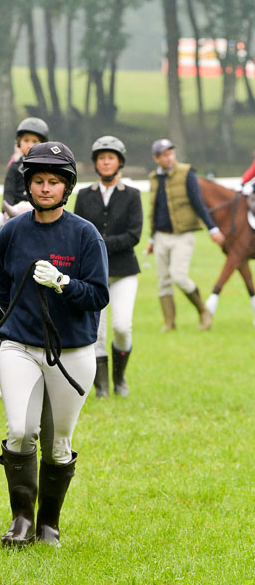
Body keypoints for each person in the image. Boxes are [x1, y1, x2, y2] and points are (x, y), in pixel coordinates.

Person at [0, 142, 109, 547]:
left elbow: (98, 295)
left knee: (58, 443)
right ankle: (21, 521)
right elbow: (3, 292)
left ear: (67, 187)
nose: (45, 189)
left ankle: (49, 525)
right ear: (29, 185)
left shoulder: (85, 235)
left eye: (53, 182)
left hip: (72, 352)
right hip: (19, 347)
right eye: (38, 181)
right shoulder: (11, 232)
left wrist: (62, 284)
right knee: (20, 430)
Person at [74, 136, 142, 398]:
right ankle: (101, 387)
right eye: (101, 158)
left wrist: (100, 244)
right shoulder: (83, 195)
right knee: (96, 333)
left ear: (119, 162)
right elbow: (78, 230)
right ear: (95, 163)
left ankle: (119, 377)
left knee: (122, 327)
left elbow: (134, 234)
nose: (105, 162)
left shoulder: (133, 195)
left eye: (110, 157)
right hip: (94, 273)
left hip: (124, 270)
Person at [146, 138, 224, 332]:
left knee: (179, 277)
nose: (169, 158)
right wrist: (151, 238)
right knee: (163, 281)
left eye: (171, 153)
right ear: (156, 158)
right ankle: (169, 324)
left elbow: (198, 202)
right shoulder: (153, 178)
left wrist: (212, 228)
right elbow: (154, 209)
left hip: (183, 235)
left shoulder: (186, 173)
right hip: (161, 236)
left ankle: (203, 311)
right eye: (164, 155)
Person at [0, 116, 49, 266]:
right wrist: (9, 210)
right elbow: (8, 193)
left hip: (40, 213)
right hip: (12, 213)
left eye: (35, 141)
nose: (30, 145)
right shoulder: (14, 167)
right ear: (19, 142)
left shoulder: (48, 168)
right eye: (26, 140)